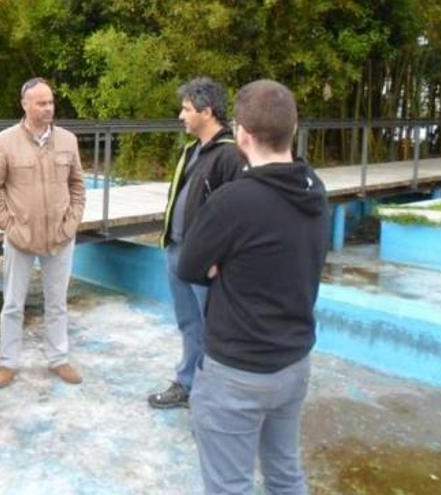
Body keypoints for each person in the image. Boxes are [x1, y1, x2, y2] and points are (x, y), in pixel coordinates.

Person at [178, 79, 330, 494]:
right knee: (285, 474)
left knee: (231, 485)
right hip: (294, 364)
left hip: (236, 371)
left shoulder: (234, 202)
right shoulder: (314, 189)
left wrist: (221, 265)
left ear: (241, 133)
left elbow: (190, 265)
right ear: (292, 130)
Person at [0, 77, 86, 389]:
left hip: (60, 236)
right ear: (25, 104)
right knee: (12, 304)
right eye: (41, 103)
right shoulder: (4, 142)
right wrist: (9, 225)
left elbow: (78, 184)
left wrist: (72, 220)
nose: (48, 108)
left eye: (51, 102)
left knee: (58, 302)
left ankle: (59, 359)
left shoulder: (68, 140)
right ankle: (8, 363)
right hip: (20, 239)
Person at [149, 77, 247, 409]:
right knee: (188, 323)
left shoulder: (231, 156)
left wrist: (220, 258)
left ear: (207, 111)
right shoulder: (192, 150)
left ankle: (214, 391)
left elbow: (238, 215)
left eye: (187, 109)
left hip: (206, 262)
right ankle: (188, 382)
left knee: (213, 329)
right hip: (178, 251)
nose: (181, 115)